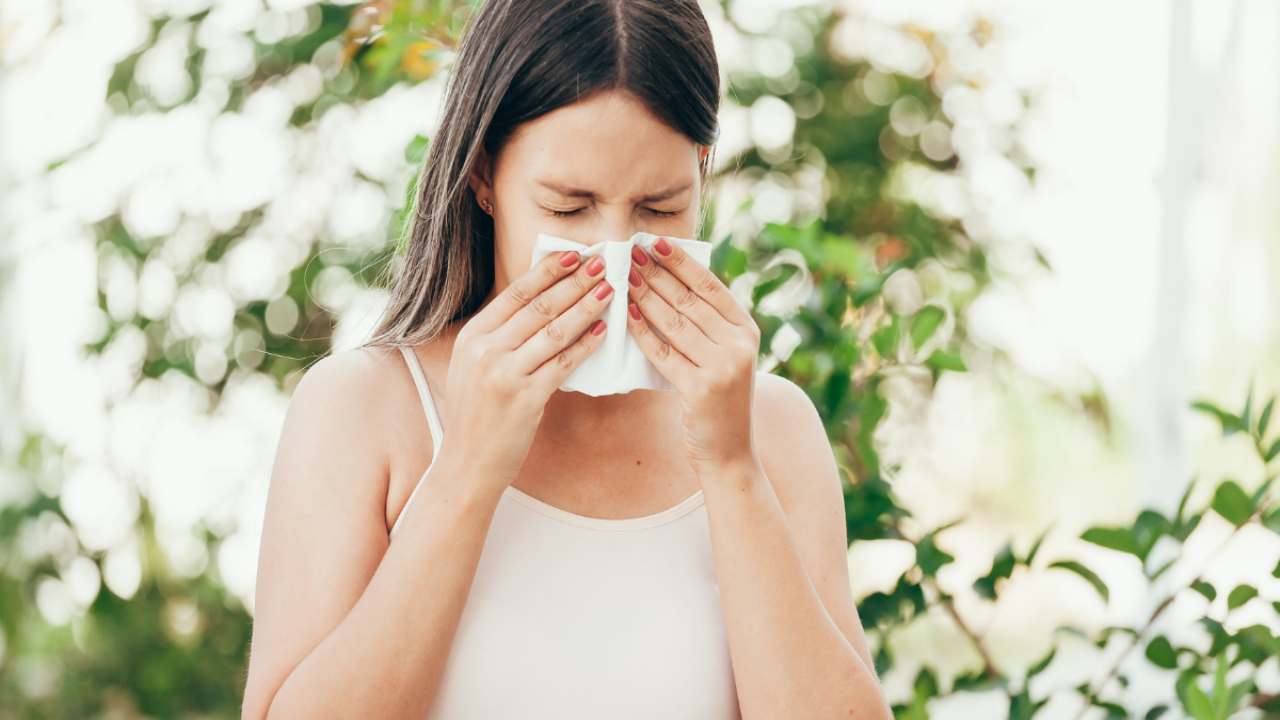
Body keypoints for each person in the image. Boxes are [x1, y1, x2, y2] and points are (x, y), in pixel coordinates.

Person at [241, 0, 891, 718]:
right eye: (568, 208)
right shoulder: (365, 409)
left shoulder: (771, 430)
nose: (613, 254)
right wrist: (468, 468)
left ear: (703, 172)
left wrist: (733, 471)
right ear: (483, 176)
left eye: (660, 208)